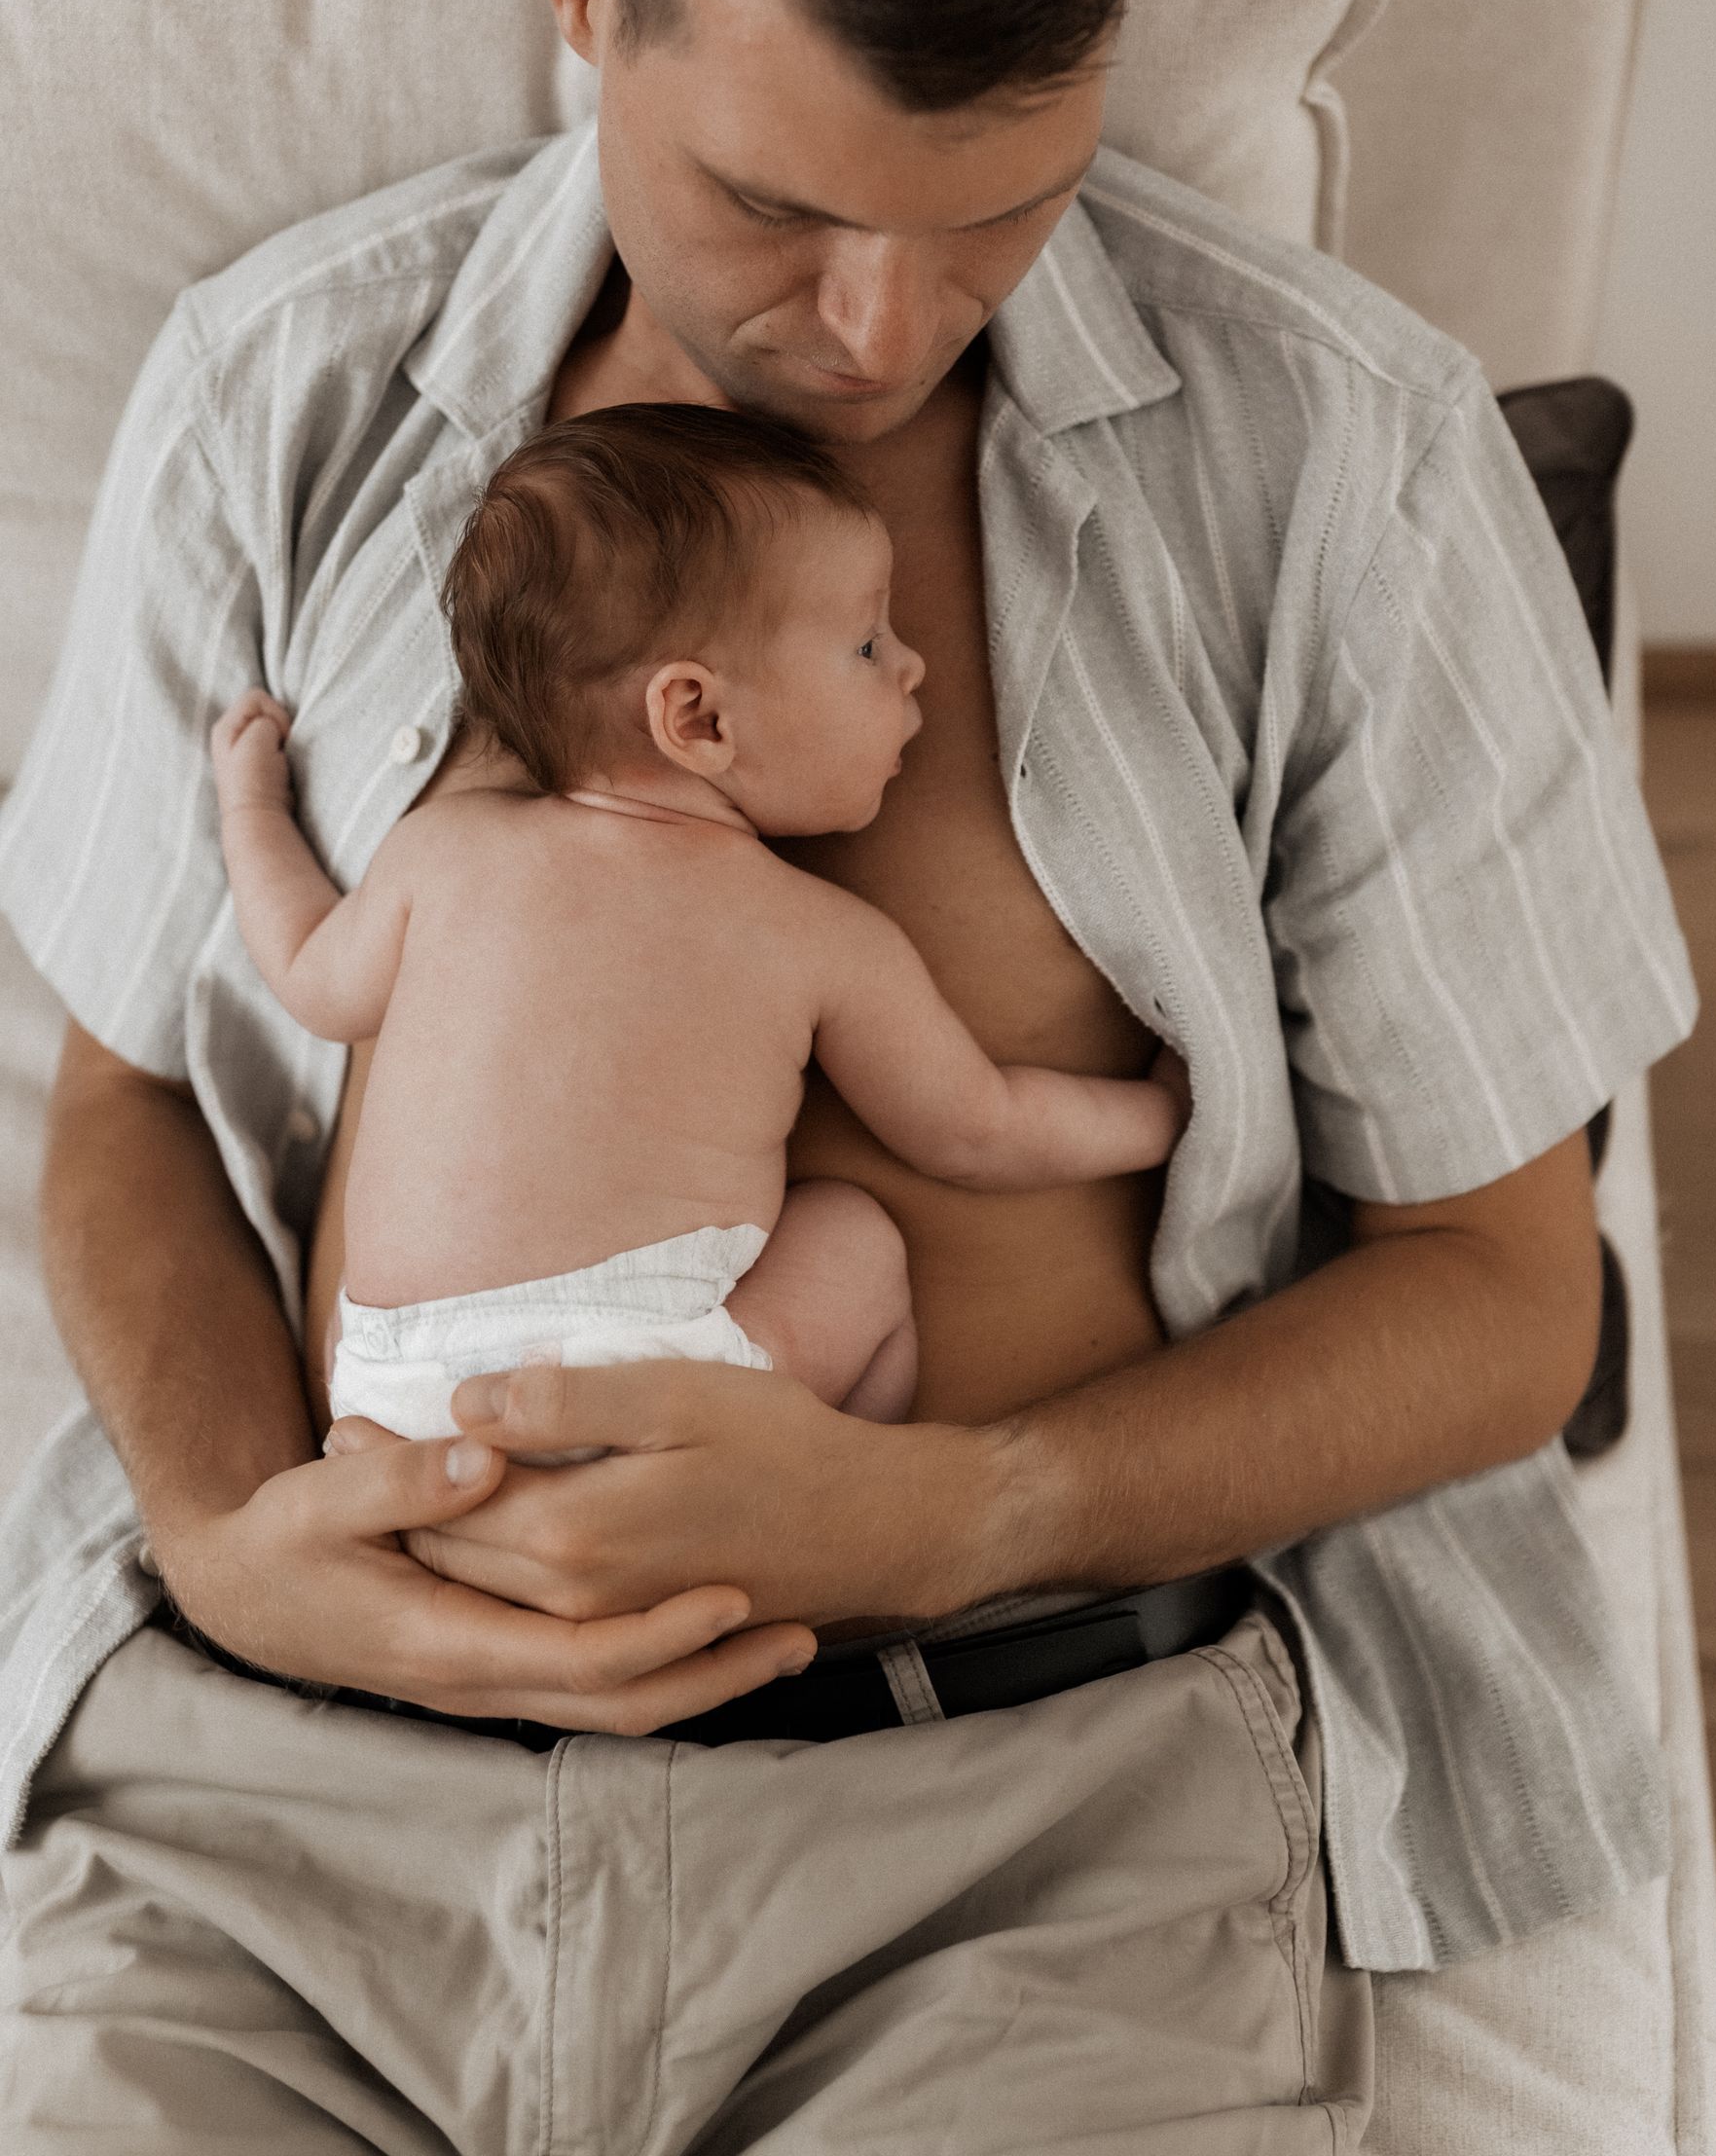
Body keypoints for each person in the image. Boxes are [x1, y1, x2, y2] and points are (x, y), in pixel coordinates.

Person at [0, 0, 1696, 2150]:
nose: (882, 332)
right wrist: (220, 1536)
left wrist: (949, 1515)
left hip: (1018, 1834)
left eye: (993, 208)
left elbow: (1505, 1292)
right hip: (289, 1812)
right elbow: (111, 1102)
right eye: (775, 208)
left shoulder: (1342, 471)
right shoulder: (285, 401)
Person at [209, 405, 1184, 1440]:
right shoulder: (816, 933)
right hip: (654, 1388)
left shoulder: (441, 852)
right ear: (699, 719)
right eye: (866, 642)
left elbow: (310, 972)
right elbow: (974, 1127)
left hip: (396, 1395)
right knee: (858, 1247)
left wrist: (248, 809)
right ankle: (827, 1502)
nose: (915, 667)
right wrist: (1160, 1116)